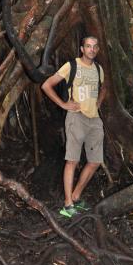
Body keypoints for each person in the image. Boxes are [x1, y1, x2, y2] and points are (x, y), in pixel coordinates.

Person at [41, 36, 105, 218]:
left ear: (97, 50)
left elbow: (104, 88)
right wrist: (63, 104)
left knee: (95, 161)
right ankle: (68, 204)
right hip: (76, 118)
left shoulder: (99, 69)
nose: (91, 49)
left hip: (94, 120)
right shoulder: (72, 66)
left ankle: (76, 196)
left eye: (95, 46)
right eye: (88, 46)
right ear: (82, 49)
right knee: (72, 161)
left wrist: (98, 103)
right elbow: (46, 85)